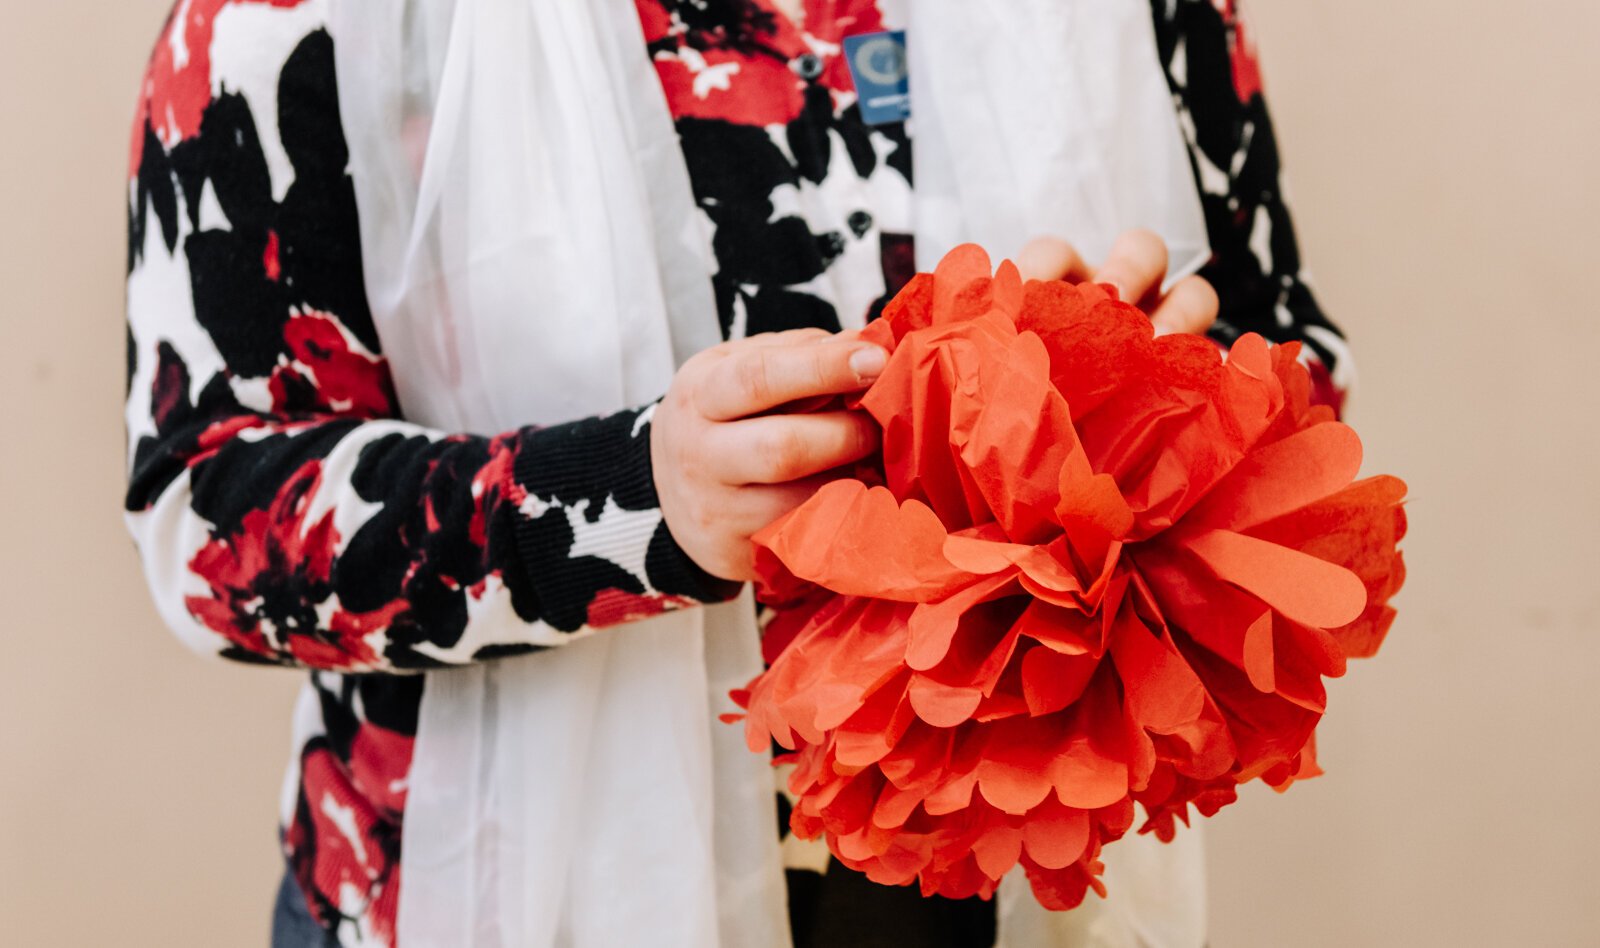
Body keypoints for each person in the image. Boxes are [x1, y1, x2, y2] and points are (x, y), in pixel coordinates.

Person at [124, 1, 1349, 945]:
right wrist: (633, 503)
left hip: (1017, 891)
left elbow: (1290, 356)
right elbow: (211, 514)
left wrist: (1151, 400)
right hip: (501, 889)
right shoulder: (301, 21)